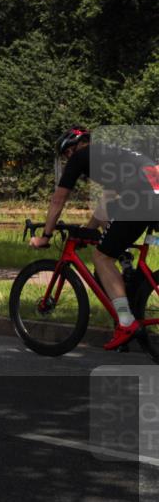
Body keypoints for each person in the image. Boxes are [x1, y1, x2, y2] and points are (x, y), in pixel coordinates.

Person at [29, 127, 159, 350]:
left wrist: (45, 236)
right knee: (112, 242)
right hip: (152, 192)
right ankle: (127, 269)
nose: (69, 158)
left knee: (101, 257)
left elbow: (58, 199)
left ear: (75, 147)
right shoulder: (110, 155)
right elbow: (105, 205)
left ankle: (126, 322)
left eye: (67, 153)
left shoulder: (81, 157)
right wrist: (88, 231)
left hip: (140, 196)